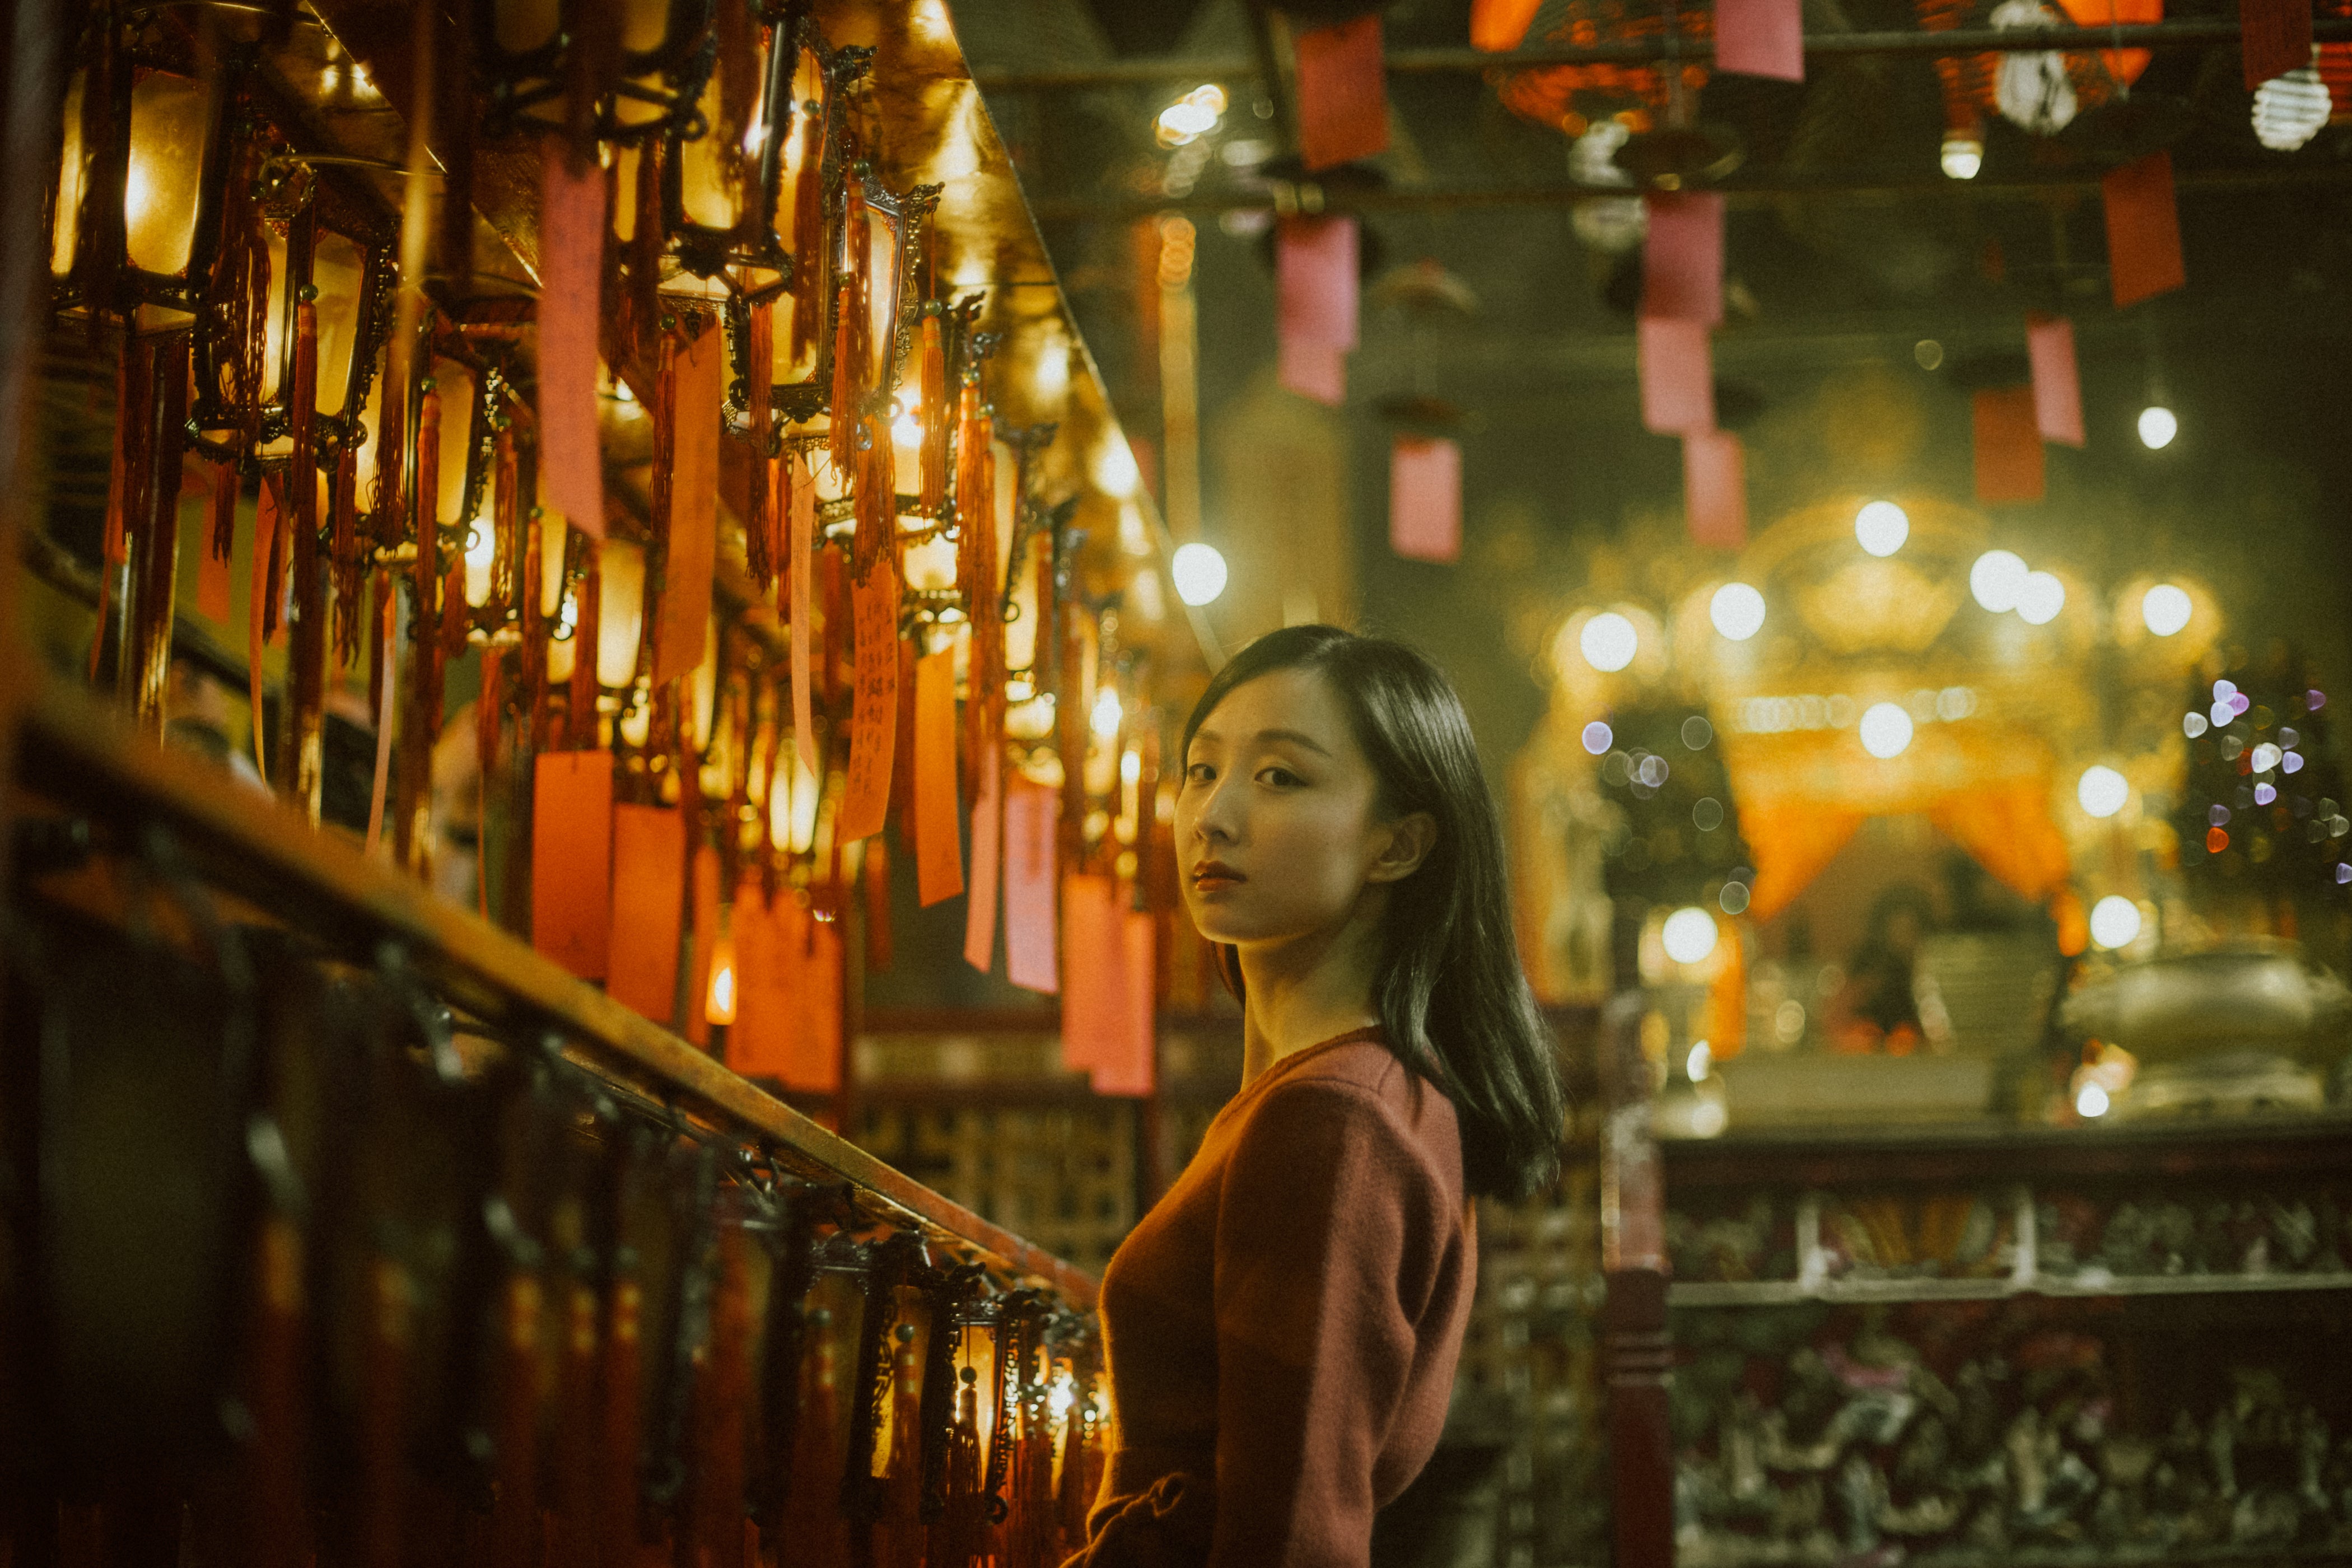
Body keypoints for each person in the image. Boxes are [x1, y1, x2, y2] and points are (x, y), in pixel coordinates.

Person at [1067, 625, 1568, 1567]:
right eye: (1200, 770)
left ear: (1399, 844)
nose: (1212, 817)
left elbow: (1295, 1528)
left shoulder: (1332, 1121)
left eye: (1280, 778)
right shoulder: (1372, 1093)